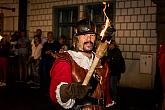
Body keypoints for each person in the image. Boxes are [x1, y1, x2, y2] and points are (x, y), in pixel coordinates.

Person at [49, 18, 113, 110]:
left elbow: (105, 94)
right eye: (84, 35)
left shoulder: (102, 62)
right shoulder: (66, 61)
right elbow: (55, 94)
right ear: (76, 38)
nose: (89, 39)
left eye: (92, 35)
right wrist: (68, 91)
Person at [107, 40, 125, 104]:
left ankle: (114, 99)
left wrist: (110, 60)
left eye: (110, 45)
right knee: (112, 86)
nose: (109, 46)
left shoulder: (116, 51)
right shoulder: (110, 51)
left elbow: (116, 62)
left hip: (114, 72)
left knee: (112, 86)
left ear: (113, 45)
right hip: (111, 72)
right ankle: (113, 99)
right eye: (109, 45)